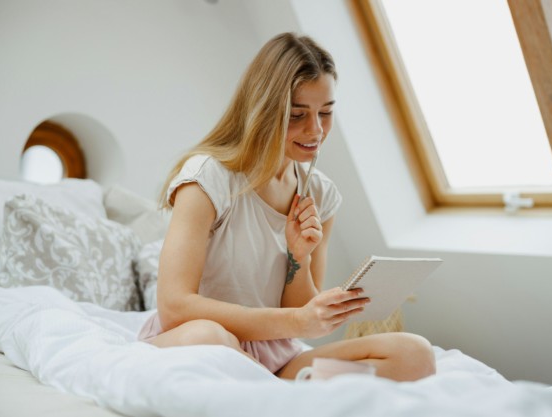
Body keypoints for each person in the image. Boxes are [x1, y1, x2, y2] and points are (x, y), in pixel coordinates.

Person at [138, 32, 436, 382]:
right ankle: (278, 391)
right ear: (262, 110)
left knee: (413, 354)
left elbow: (303, 314)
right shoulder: (207, 178)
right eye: (297, 115)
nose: (316, 130)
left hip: (277, 362)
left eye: (325, 112)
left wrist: (300, 258)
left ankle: (278, 390)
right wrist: (296, 322)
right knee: (209, 336)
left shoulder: (321, 195)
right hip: (198, 345)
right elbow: (174, 308)